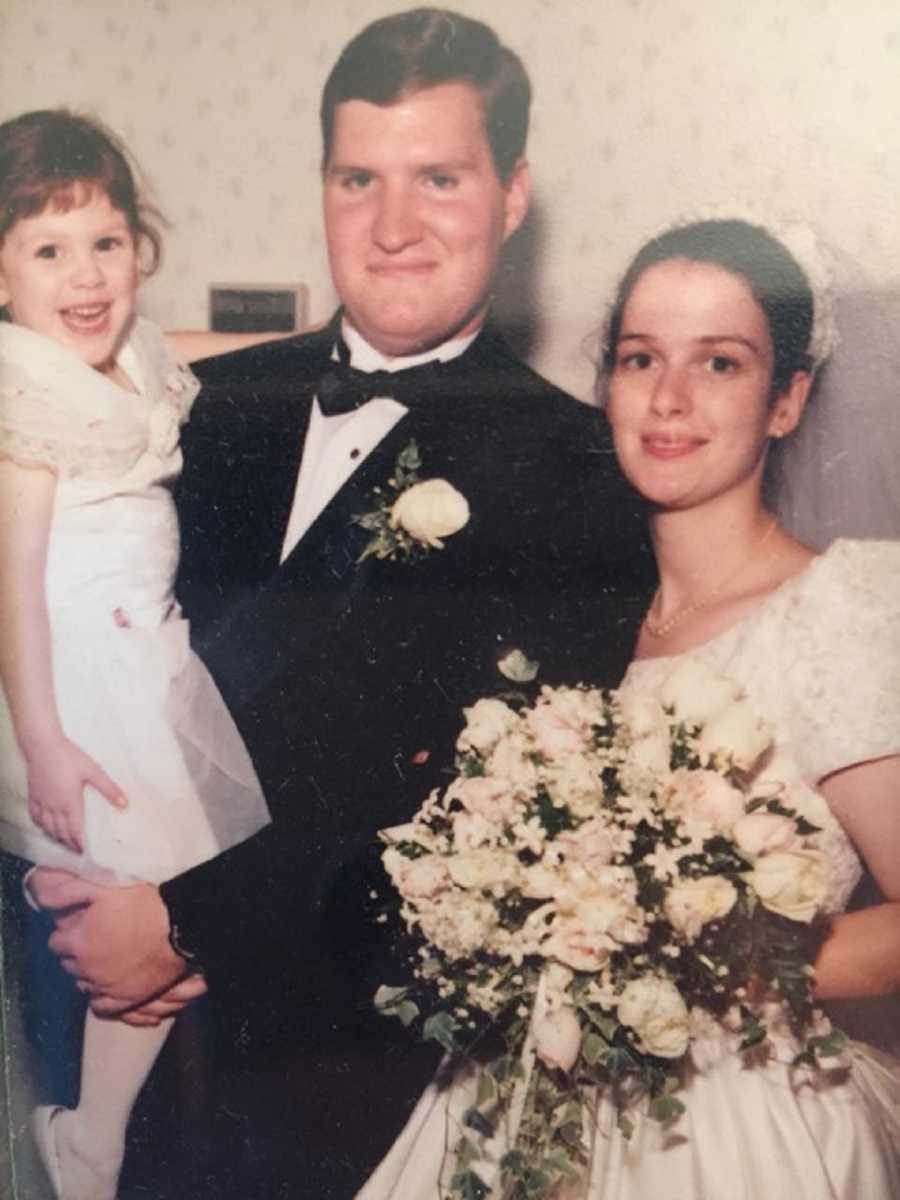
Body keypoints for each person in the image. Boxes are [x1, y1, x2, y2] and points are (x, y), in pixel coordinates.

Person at [27, 11, 654, 1198]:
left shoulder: (580, 470)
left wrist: (185, 922)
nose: (394, 225)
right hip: (67, 994)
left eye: (440, 179)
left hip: (335, 1081)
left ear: (512, 193)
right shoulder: (196, 401)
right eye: (358, 178)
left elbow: (493, 824)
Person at [359, 218, 900, 1199]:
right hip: (529, 1101)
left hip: (736, 1133)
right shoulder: (589, 620)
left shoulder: (842, 611)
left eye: (721, 363)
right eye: (641, 357)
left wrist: (687, 955)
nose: (669, 400)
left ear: (788, 401)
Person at [0, 109, 273, 1200]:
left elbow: (190, 352)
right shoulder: (25, 392)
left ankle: (93, 1136)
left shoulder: (130, 356)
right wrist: (44, 743)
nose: (86, 276)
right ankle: (91, 1141)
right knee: (149, 908)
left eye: (106, 243)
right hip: (76, 691)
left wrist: (327, 345)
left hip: (149, 671)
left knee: (181, 913)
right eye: (48, 249)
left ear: (139, 249)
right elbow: (10, 592)